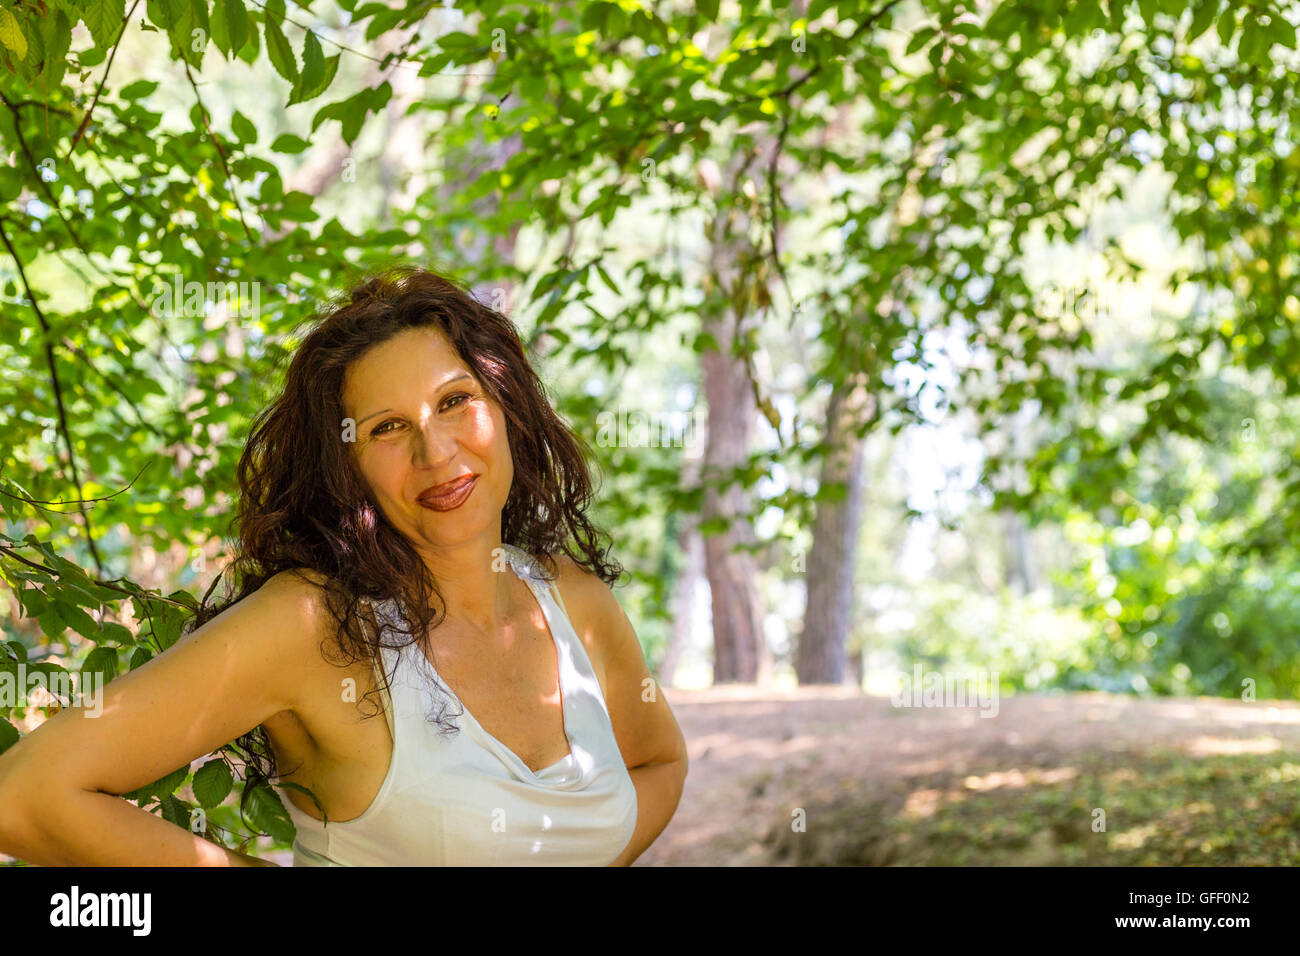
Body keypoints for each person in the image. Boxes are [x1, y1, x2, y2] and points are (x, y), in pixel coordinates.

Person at [0, 265, 688, 866]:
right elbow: (26, 796)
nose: (437, 452)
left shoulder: (576, 603)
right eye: (387, 427)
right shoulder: (312, 625)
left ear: (508, 408)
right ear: (345, 466)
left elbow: (658, 761)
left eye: (455, 401)